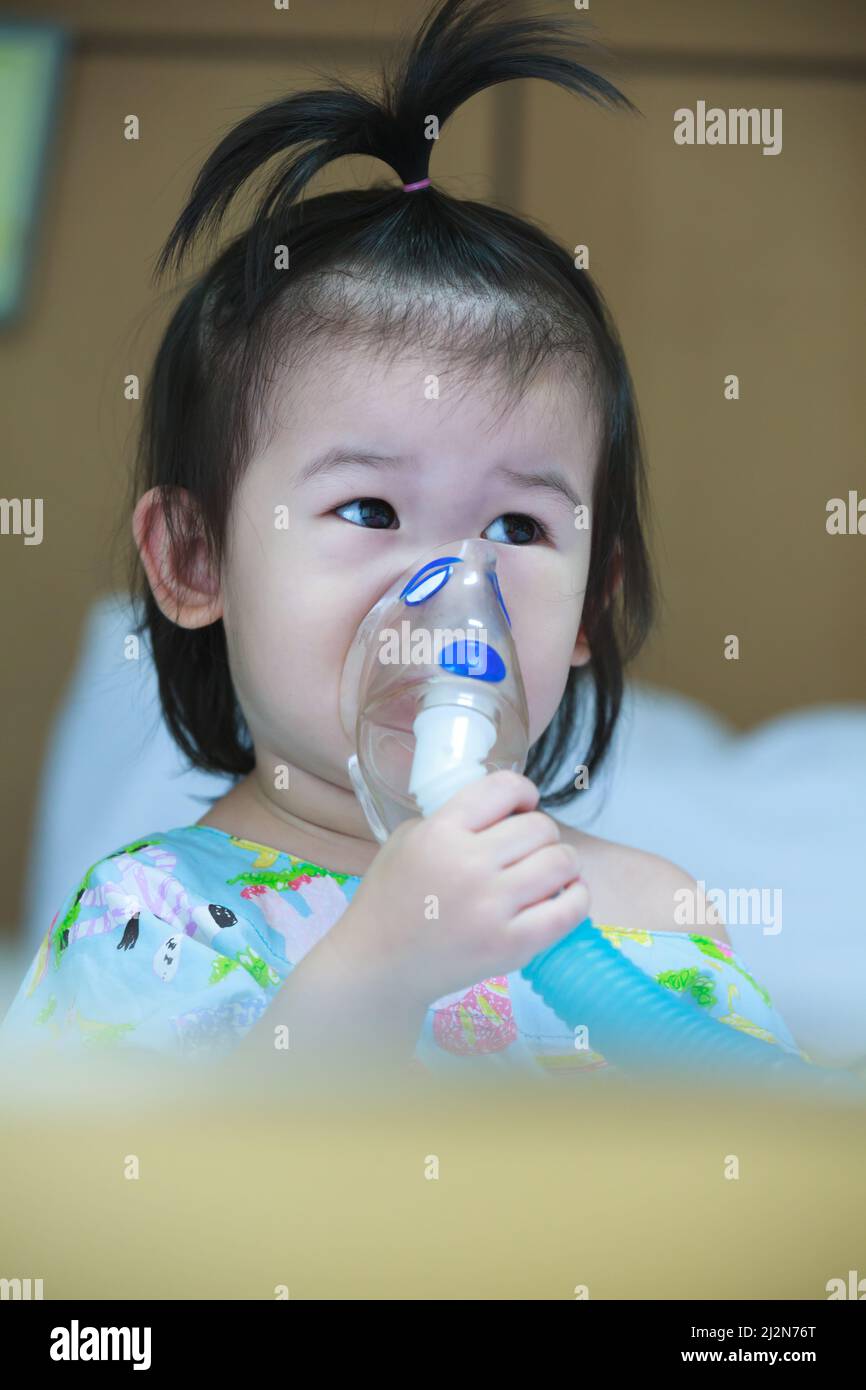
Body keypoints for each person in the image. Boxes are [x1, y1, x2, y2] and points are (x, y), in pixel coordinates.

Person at [0, 0, 805, 1082]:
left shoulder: (648, 915)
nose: (449, 590)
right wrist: (372, 975)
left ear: (589, 605)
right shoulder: (152, 918)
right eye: (370, 511)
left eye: (517, 526)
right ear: (196, 559)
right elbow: (139, 1225)